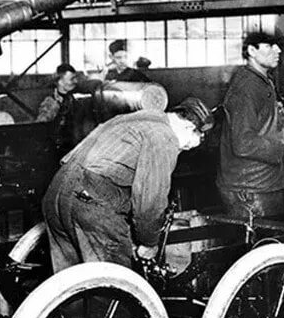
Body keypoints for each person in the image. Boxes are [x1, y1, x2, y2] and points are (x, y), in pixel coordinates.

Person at [42, 97, 213, 272]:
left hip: (56, 192)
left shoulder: (136, 118)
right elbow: (150, 203)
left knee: (72, 283)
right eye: (188, 145)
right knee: (112, 285)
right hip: (90, 203)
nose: (184, 149)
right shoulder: (164, 136)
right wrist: (149, 243)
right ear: (189, 128)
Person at [218, 30, 284, 219]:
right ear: (251, 51)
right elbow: (243, 143)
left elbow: (262, 122)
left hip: (262, 182)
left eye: (278, 45)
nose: (278, 50)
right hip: (250, 189)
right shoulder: (246, 88)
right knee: (263, 245)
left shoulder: (261, 82)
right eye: (270, 45)